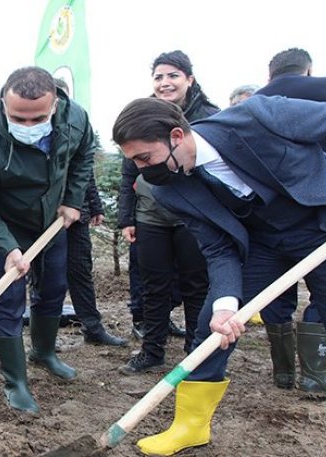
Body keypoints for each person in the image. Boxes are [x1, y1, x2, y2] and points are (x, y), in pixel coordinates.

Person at [112, 96, 326, 456]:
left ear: (177, 135)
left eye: (145, 158)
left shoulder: (257, 117)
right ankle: (190, 426)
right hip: (265, 244)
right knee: (212, 324)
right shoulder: (168, 187)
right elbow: (219, 247)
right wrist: (226, 305)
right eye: (134, 162)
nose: (143, 169)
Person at [0, 66, 94, 413]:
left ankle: (44, 352)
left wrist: (73, 200)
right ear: (4, 102)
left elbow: (84, 156)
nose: (27, 126)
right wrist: (8, 247)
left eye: (37, 118)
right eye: (17, 118)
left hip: (51, 220)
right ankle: (15, 382)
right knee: (8, 301)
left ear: (54, 106)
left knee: (53, 287)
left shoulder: (76, 119)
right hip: (3, 226)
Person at [253, 47, 326, 396]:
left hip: (272, 218)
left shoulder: (255, 103)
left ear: (271, 74)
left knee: (276, 290)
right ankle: (316, 375)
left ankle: (283, 372)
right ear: (308, 70)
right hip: (325, 212)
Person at [117, 50, 213, 374]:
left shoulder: (208, 115)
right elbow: (129, 171)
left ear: (189, 79)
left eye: (173, 75)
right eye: (158, 76)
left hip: (193, 216)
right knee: (154, 284)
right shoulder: (140, 117)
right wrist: (126, 218)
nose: (165, 82)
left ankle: (195, 350)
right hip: (151, 216)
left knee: (195, 283)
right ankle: (152, 350)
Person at [45, 78, 125, 347]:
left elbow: (84, 172)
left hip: (76, 214)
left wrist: (95, 206)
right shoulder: (37, 129)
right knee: (46, 276)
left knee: (81, 270)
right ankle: (44, 335)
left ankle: (92, 327)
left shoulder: (77, 127)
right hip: (45, 215)